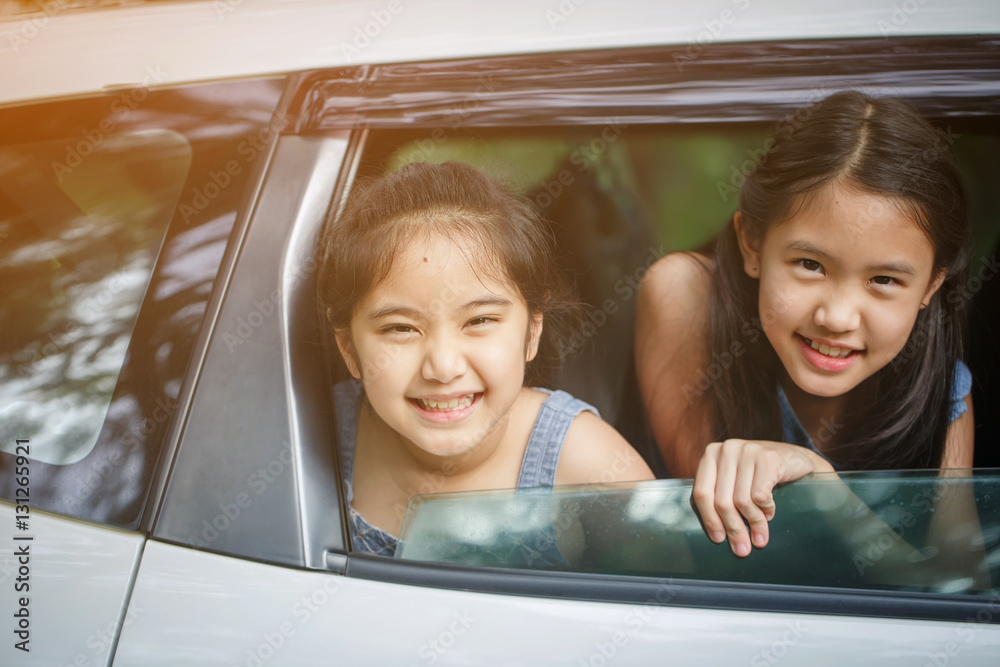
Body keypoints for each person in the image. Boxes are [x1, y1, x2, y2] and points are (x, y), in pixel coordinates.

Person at [636, 91, 974, 558]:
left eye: (883, 279)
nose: (836, 317)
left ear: (931, 286)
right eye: (810, 265)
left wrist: (821, 483)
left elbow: (959, 588)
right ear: (752, 245)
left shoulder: (944, 390)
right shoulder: (686, 293)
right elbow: (736, 543)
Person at [318, 161, 654, 557]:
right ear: (349, 350)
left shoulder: (585, 460)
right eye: (400, 328)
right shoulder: (308, 436)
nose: (443, 367)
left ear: (532, 331)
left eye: (479, 320)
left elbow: (677, 603)